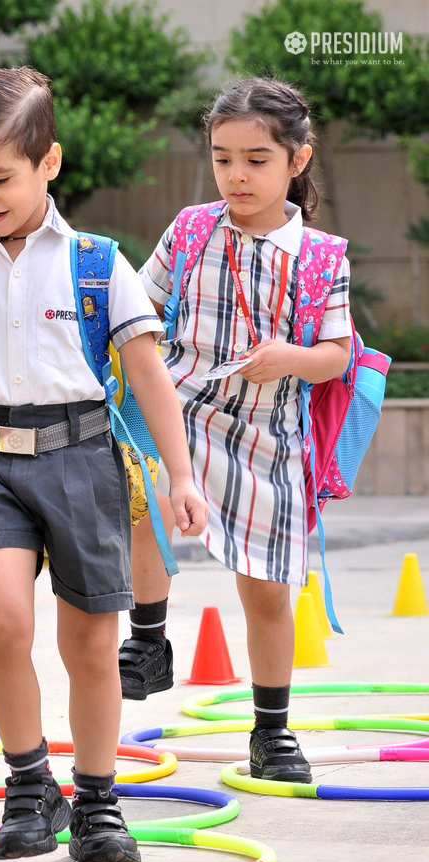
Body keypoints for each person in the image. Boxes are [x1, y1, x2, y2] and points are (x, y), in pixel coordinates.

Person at [0, 67, 208, 862]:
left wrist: (181, 474)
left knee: (91, 648)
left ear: (49, 163)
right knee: (0, 620)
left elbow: (146, 376)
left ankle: (99, 800)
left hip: (83, 461)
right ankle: (31, 783)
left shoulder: (101, 265)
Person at [119, 78, 353, 783]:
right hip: (182, 412)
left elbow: (337, 354)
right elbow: (136, 306)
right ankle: (149, 639)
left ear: (298, 160)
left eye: (256, 159)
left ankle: (273, 732)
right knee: (150, 501)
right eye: (223, 158)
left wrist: (291, 358)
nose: (237, 175)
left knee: (268, 589)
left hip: (271, 435)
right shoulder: (190, 230)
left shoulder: (322, 257)